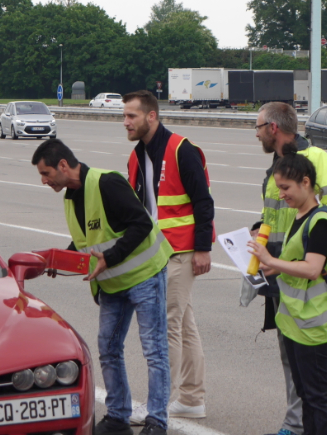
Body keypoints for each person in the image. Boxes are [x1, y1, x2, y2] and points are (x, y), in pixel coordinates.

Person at [32, 139, 174, 435]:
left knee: (154, 350)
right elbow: (86, 243)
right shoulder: (70, 197)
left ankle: (157, 422)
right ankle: (118, 417)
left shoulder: (107, 183)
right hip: (111, 284)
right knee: (108, 347)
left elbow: (141, 224)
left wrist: (108, 258)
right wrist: (64, 261)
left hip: (145, 275)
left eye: (46, 174)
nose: (44, 181)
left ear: (62, 165)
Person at [254, 102, 327, 435]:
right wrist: (260, 240)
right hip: (282, 278)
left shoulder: (317, 161)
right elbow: (274, 217)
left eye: (258, 127)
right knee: (297, 371)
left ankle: (293, 427)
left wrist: (279, 260)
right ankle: (296, 425)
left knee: (316, 386)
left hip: (308, 287)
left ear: (273, 128)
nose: (257, 133)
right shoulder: (278, 168)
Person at [122, 90, 214, 423]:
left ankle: (157, 404)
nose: (125, 122)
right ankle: (191, 398)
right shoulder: (136, 157)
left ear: (151, 116)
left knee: (165, 327)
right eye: (125, 116)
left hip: (181, 251)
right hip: (157, 254)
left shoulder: (180, 149)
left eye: (131, 116)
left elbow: (203, 201)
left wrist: (203, 248)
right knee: (185, 325)